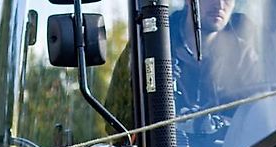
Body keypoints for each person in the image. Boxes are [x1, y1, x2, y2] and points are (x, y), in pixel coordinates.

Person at [104, 0, 261, 131]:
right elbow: (117, 117)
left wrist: (219, 124)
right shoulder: (148, 44)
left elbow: (258, 119)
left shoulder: (243, 56)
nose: (219, 4)